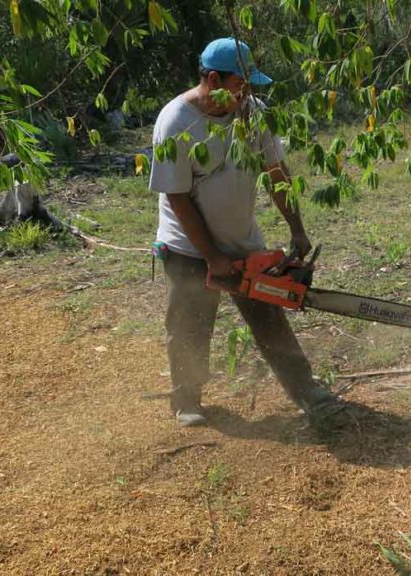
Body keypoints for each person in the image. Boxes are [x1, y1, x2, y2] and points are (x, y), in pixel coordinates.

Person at [148, 38, 337, 427]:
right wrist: (212, 257)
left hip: (243, 241)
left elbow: (276, 173)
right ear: (214, 79)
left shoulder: (253, 113)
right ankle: (187, 399)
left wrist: (296, 229)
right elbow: (178, 198)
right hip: (188, 247)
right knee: (189, 324)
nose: (245, 93)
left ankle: (307, 391)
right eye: (240, 84)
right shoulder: (176, 122)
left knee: (269, 320)